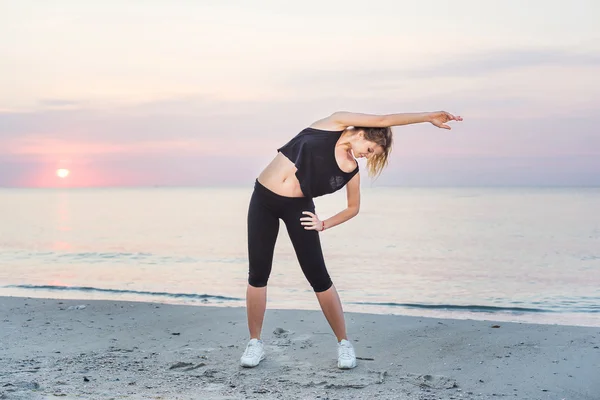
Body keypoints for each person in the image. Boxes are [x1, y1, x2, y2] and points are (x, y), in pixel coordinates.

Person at [240, 110, 463, 369]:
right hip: (263, 199)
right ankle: (255, 343)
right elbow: (383, 121)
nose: (367, 157)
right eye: (369, 149)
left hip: (297, 207)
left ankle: (344, 344)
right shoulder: (332, 123)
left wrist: (323, 223)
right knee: (258, 273)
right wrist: (427, 117)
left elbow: (353, 208)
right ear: (361, 133)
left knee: (319, 277)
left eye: (371, 155)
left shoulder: (350, 169)